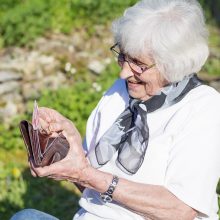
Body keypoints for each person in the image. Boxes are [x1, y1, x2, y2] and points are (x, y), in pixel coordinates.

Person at [11, 0, 220, 219]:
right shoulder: (120, 91)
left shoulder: (203, 108)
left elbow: (180, 210)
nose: (124, 74)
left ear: (174, 63)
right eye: (122, 56)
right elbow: (91, 189)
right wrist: (67, 147)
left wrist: (84, 174)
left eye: (138, 64)